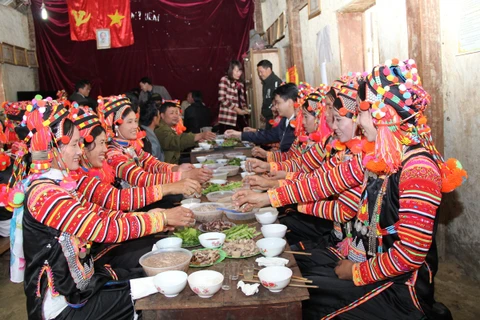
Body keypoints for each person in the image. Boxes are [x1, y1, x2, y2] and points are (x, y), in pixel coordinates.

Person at [8, 98, 195, 319]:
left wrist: (150, 216)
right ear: (53, 145)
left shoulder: (59, 184)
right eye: (75, 144)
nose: (81, 150)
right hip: (62, 306)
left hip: (81, 287)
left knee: (147, 279)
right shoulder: (45, 194)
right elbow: (101, 227)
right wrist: (160, 218)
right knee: (149, 293)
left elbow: (99, 214)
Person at [99, 95, 212, 187]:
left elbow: (152, 164)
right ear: (115, 126)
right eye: (129, 122)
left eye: (135, 121)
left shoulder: (131, 146)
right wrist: (183, 175)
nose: (135, 126)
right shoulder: (112, 154)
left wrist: (177, 168)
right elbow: (142, 178)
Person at [224, 83, 298, 153]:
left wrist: (268, 155)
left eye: (278, 103)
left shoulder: (299, 124)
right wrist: (240, 134)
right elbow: (267, 135)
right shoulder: (285, 120)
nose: (276, 107)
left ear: (290, 103)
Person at [217, 60, 250, 132]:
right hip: (228, 117)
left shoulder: (240, 83)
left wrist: (244, 108)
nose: (239, 73)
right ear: (231, 70)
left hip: (239, 116)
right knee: (229, 139)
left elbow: (242, 99)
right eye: (237, 71)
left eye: (240, 71)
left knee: (243, 136)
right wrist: (236, 109)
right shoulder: (225, 80)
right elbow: (222, 98)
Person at [257, 59, 282, 130]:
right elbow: (266, 99)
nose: (260, 74)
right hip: (268, 117)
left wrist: (267, 112)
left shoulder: (276, 82)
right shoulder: (265, 82)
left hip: (274, 117)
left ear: (268, 69)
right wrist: (263, 112)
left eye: (261, 72)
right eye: (258, 72)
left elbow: (275, 101)